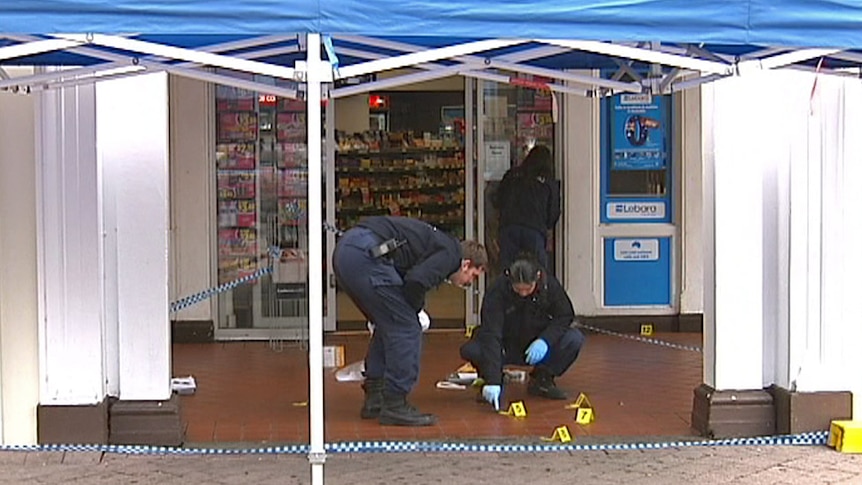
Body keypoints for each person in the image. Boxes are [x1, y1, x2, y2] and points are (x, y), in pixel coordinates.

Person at [333, 215, 487, 426]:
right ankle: (396, 403)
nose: (469, 283)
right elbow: (416, 281)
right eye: (473, 276)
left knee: (389, 322)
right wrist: (415, 310)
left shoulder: (435, 243)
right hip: (368, 254)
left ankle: (375, 396)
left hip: (348, 251)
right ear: (466, 264)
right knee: (406, 328)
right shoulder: (451, 254)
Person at [460, 257, 584, 411]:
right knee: (473, 349)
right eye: (518, 290)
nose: (523, 294)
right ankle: (492, 378)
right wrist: (493, 379)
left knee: (573, 339)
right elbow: (492, 333)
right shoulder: (497, 291)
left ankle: (542, 379)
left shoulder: (549, 286)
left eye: (528, 289)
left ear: (537, 278)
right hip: (506, 346)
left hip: (536, 345)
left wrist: (545, 340)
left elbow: (564, 316)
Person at [495, 145, 561, 271]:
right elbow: (553, 213)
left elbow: (498, 199)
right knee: (538, 271)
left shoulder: (512, 175)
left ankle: (507, 290)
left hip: (509, 227)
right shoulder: (548, 181)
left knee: (507, 270)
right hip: (534, 230)